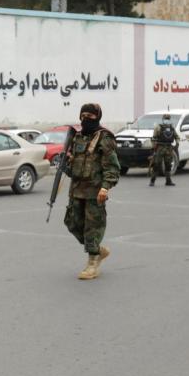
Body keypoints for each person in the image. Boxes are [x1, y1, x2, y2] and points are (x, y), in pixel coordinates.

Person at [63, 103, 120, 281]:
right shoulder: (77, 137)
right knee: (72, 223)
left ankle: (93, 261)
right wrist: (65, 163)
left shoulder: (104, 138)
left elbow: (112, 166)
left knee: (92, 227)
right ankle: (97, 248)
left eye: (90, 115)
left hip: (95, 192)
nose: (85, 119)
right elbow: (73, 168)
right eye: (83, 115)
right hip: (76, 190)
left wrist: (105, 187)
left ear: (98, 117)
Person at [149, 114, 179, 187]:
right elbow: (154, 138)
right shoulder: (158, 127)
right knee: (156, 164)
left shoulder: (172, 128)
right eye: (166, 118)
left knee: (168, 165)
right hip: (160, 148)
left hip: (168, 148)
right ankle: (152, 181)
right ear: (162, 119)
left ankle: (168, 181)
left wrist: (177, 143)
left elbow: (177, 136)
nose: (167, 120)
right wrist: (154, 148)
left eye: (168, 119)